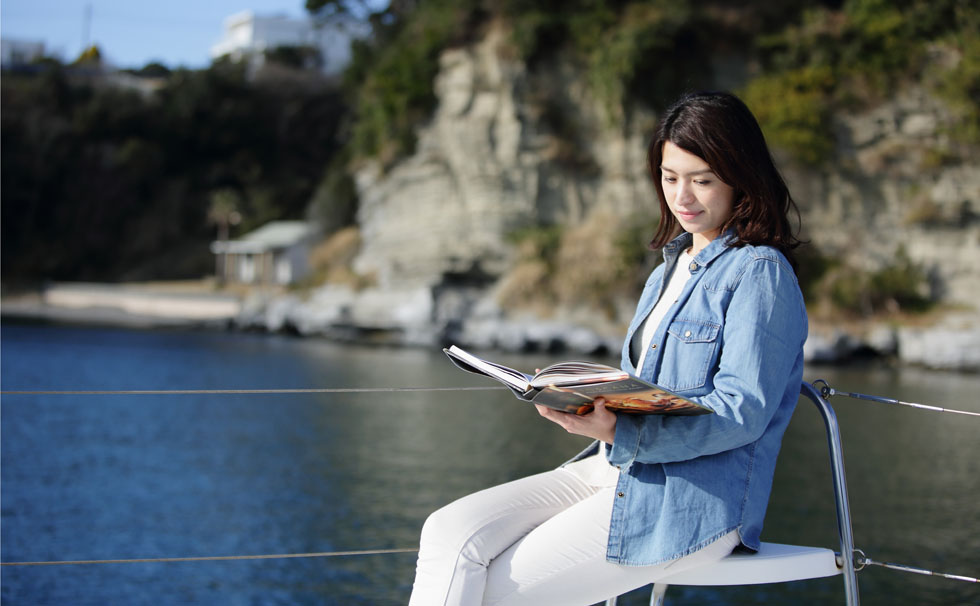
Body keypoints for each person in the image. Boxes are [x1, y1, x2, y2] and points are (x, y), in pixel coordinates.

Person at [408, 90, 808, 606]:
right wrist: (580, 397)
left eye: (702, 180)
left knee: (493, 589)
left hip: (687, 501)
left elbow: (741, 413)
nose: (682, 197)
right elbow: (639, 384)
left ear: (740, 176)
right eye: (670, 178)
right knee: (449, 532)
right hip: (608, 467)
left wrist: (622, 430)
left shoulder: (759, 273)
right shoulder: (670, 267)